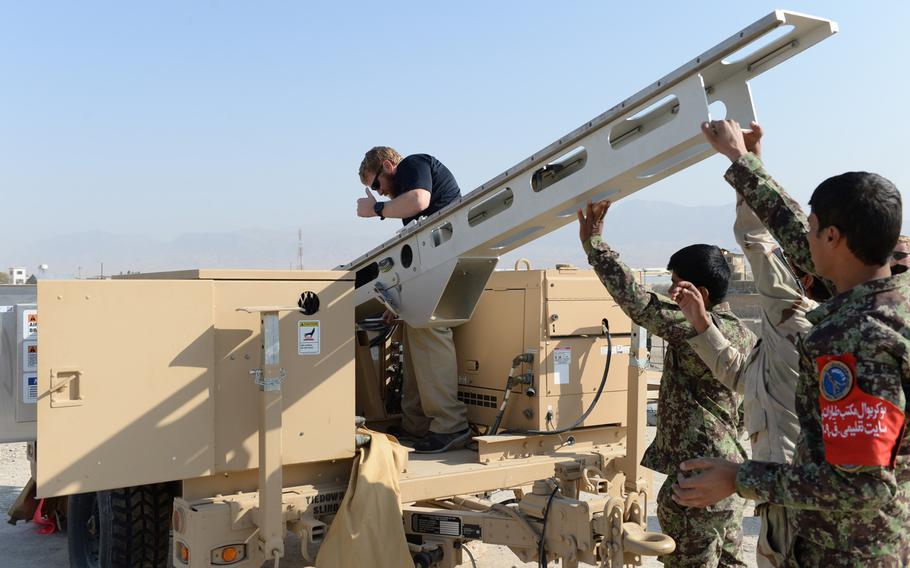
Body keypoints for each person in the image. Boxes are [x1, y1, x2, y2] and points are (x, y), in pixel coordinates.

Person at [672, 119, 910, 565]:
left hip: (841, 549)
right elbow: (789, 240)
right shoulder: (893, 300)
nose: (803, 243)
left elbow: (864, 484)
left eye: (813, 229)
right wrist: (745, 164)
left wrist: (740, 478)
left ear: (834, 238)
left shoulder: (856, 340)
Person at [670, 123, 830, 567]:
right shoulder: (790, 336)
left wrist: (743, 161)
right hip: (781, 499)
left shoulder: (793, 320)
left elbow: (758, 243)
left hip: (792, 496)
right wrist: (703, 324)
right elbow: (745, 378)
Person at [578, 200, 756, 567]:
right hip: (726, 477)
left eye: (677, 284)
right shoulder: (742, 333)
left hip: (698, 480)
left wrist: (595, 245)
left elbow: (637, 301)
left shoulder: (696, 327)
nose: (671, 292)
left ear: (700, 295)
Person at [356, 147, 469, 453]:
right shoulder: (406, 199)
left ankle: (450, 426)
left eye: (377, 185)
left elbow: (420, 200)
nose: (381, 192)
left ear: (389, 166)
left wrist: (376, 209)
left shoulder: (413, 165)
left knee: (429, 336)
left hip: (445, 268)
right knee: (417, 340)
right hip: (437, 269)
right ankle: (416, 424)